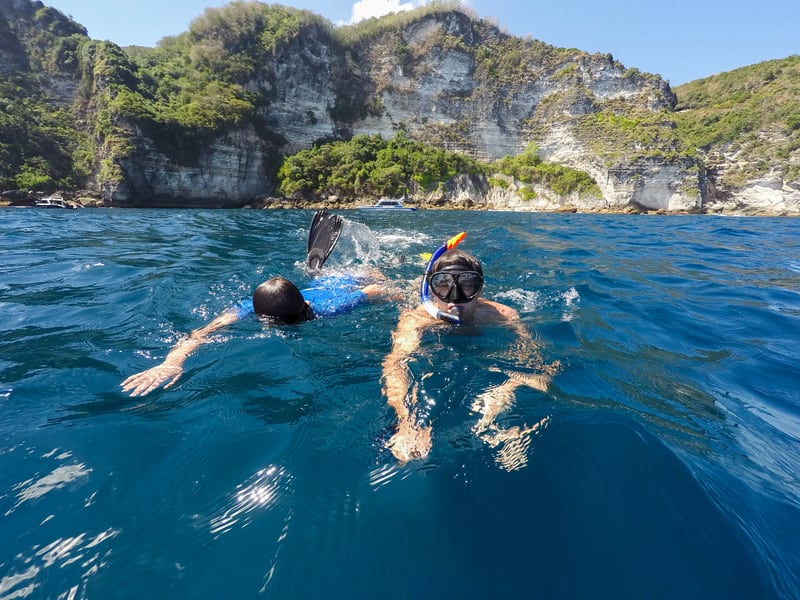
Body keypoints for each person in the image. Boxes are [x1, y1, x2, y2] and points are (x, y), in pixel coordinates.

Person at [121, 211, 388, 397]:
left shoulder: (325, 306)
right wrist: (171, 363)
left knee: (367, 273)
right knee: (345, 275)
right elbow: (376, 291)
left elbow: (202, 333)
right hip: (323, 289)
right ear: (304, 302)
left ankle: (318, 271)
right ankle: (315, 272)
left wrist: (174, 360)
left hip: (339, 283)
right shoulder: (325, 309)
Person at [381, 232, 560, 469]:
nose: (455, 299)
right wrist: (407, 421)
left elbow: (540, 368)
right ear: (431, 291)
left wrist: (504, 391)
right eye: (443, 286)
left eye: (467, 286)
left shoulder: (501, 316)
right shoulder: (417, 319)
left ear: (481, 289)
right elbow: (395, 364)